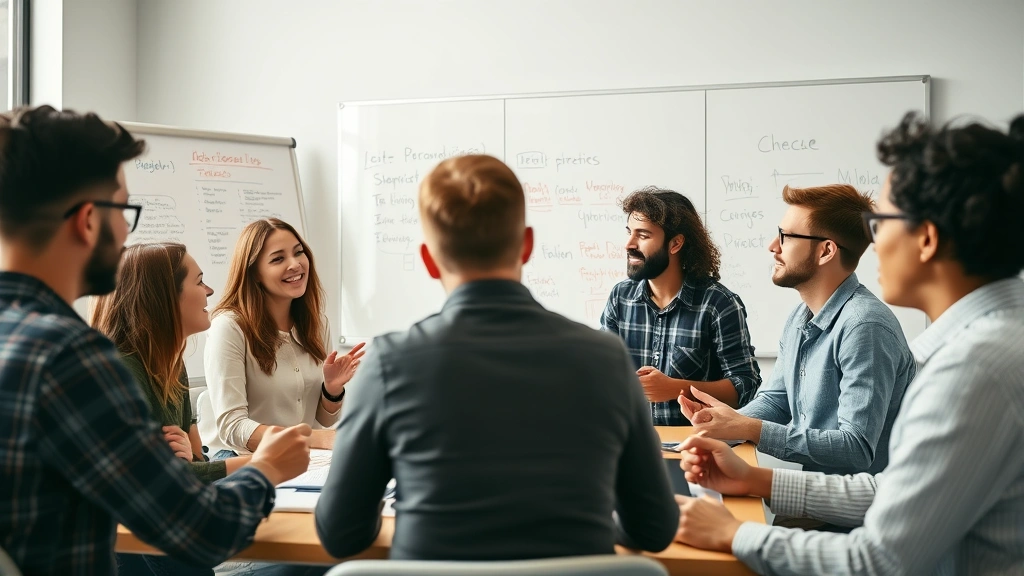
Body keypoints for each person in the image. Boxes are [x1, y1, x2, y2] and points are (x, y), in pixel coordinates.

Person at [674, 112, 1024, 575]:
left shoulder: (971, 369)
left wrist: (734, 533)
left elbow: (877, 560)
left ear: (926, 238)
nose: (872, 242)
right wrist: (753, 473)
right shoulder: (989, 343)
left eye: (882, 221)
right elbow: (892, 490)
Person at [315, 155, 679, 560]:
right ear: (526, 245)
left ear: (429, 260)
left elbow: (341, 533)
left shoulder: (387, 363)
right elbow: (653, 527)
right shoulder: (606, 359)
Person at [0, 105, 311, 576]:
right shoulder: (72, 358)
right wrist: (267, 467)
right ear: (88, 220)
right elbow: (199, 532)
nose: (127, 232)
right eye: (124, 212)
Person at [679, 184, 916, 476]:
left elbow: (856, 447)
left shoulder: (864, 327)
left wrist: (748, 428)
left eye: (786, 237)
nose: (772, 246)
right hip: (813, 496)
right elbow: (775, 400)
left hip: (854, 515)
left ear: (826, 251)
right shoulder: (799, 318)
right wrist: (723, 423)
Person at [204, 218, 364, 458]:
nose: (295, 264)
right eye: (278, 259)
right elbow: (232, 427)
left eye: (299, 253)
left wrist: (332, 390)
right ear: (254, 273)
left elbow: (322, 419)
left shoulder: (317, 323)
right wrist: (315, 438)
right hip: (246, 461)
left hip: (304, 458)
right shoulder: (229, 327)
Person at [600, 187, 761, 425]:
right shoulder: (620, 297)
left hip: (698, 445)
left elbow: (745, 385)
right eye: (629, 232)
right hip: (631, 441)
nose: (629, 244)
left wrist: (676, 389)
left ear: (675, 244)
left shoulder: (718, 304)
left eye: (643, 236)